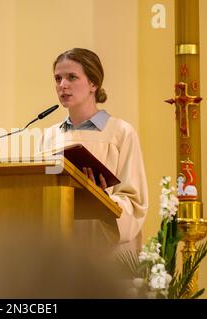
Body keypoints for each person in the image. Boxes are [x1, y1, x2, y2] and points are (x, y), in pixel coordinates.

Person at [39, 48, 149, 251]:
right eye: (58, 79)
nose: (62, 85)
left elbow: (134, 202)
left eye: (72, 77)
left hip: (104, 250)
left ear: (93, 83)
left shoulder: (121, 132)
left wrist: (100, 198)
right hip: (61, 249)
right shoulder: (50, 136)